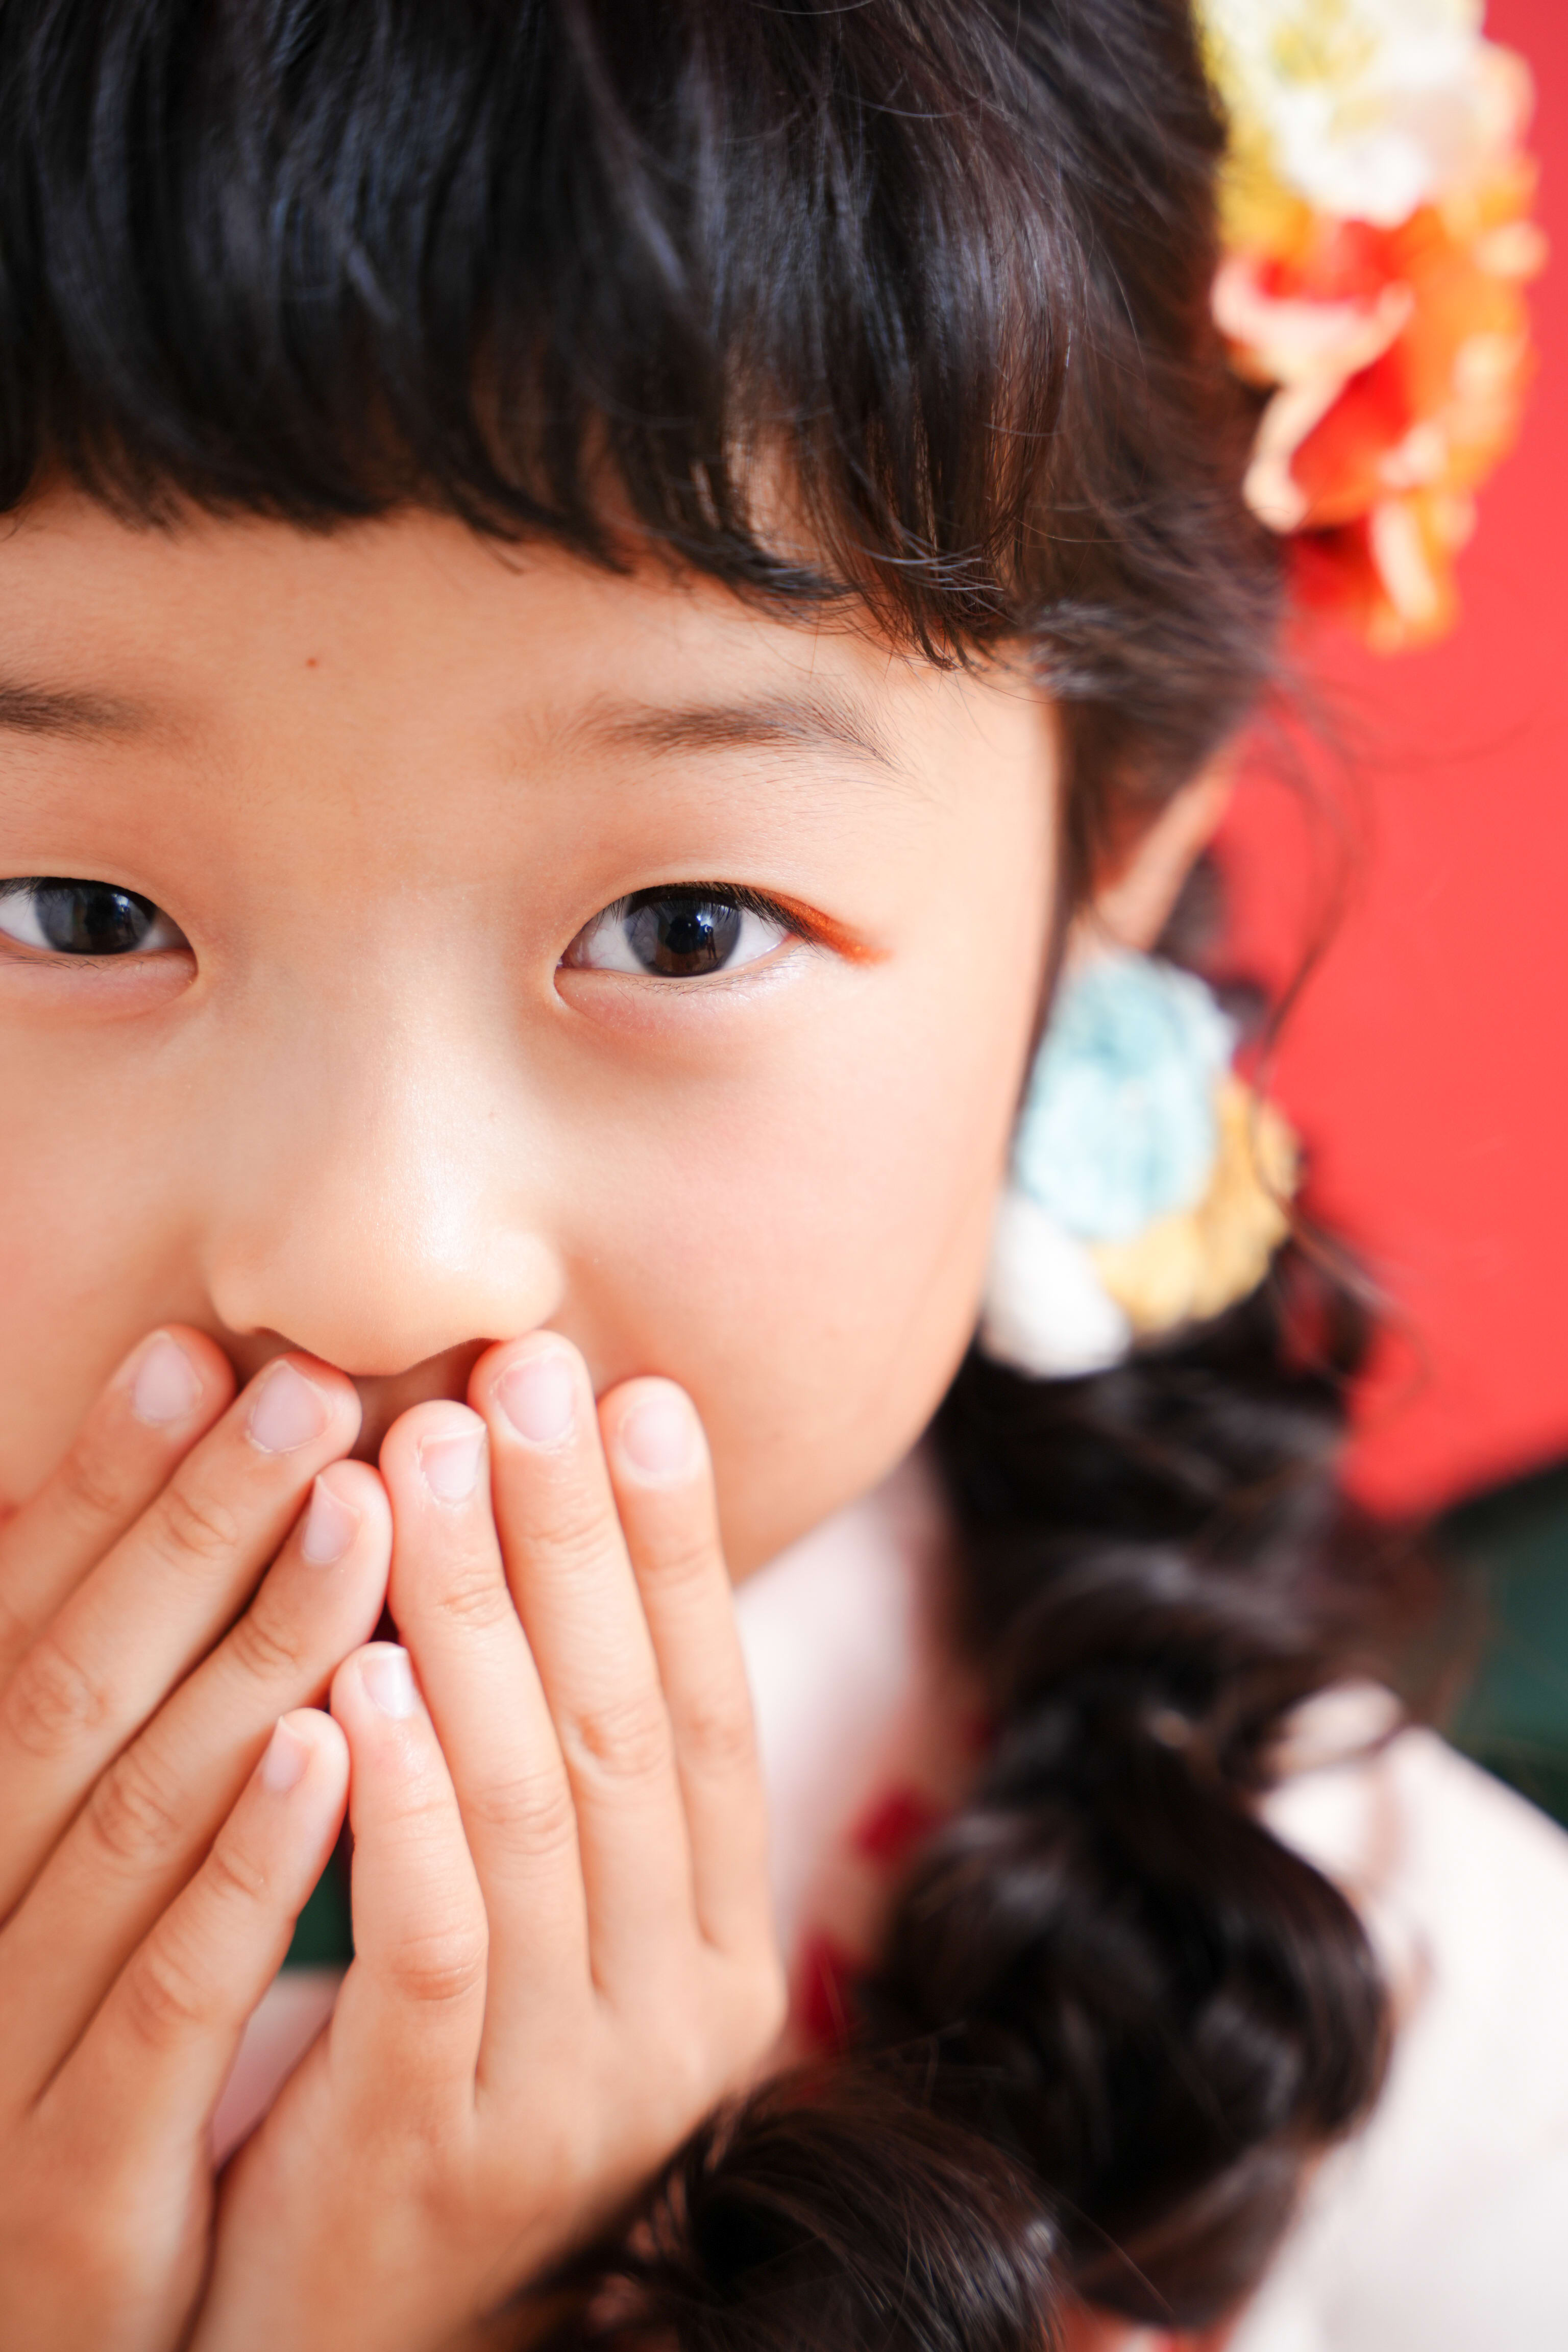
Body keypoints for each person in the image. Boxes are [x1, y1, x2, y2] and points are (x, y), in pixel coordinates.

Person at [0, 3, 1563, 2348]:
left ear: (1112, 849)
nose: (371, 1253)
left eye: (687, 927)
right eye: (80, 913)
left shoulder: (1426, 2084)